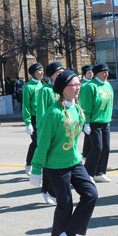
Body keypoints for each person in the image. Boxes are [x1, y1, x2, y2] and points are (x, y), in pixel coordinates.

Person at [30, 70, 98, 236]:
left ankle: (68, 234)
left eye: (79, 84)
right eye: (73, 84)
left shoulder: (77, 108)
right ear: (63, 89)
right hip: (56, 165)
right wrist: (36, 170)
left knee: (91, 194)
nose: (78, 87)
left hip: (74, 162)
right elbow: (42, 144)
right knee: (65, 204)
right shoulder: (53, 113)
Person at [80, 63, 114, 183]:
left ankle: (99, 172)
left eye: (107, 72)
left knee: (106, 147)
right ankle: (88, 173)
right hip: (94, 123)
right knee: (97, 148)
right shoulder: (91, 86)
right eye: (103, 72)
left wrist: (108, 119)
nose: (106, 74)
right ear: (97, 73)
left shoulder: (108, 85)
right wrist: (86, 123)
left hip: (105, 122)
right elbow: (86, 106)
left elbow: (109, 104)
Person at [36, 61, 65, 205]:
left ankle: (53, 189)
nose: (60, 75)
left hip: (61, 131)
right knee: (48, 162)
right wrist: (41, 132)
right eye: (57, 73)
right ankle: (46, 190)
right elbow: (41, 112)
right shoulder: (45, 90)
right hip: (49, 131)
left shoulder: (62, 89)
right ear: (51, 75)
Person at [22, 62, 45, 177]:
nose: (41, 73)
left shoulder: (44, 85)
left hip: (45, 117)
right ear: (33, 73)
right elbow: (26, 106)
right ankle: (29, 163)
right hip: (35, 118)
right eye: (38, 71)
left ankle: (43, 166)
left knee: (44, 142)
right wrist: (28, 123)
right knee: (36, 142)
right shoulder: (28, 87)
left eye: (42, 70)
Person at [80, 64, 93, 161]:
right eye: (89, 72)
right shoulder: (84, 85)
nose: (91, 74)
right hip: (87, 114)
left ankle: (86, 156)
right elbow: (84, 103)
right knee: (88, 138)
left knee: (89, 138)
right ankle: (85, 156)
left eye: (92, 72)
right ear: (85, 74)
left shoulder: (92, 84)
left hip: (93, 114)